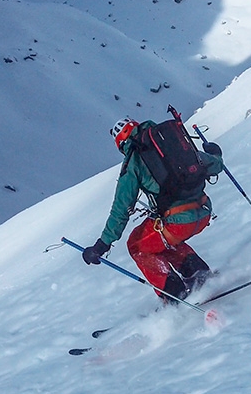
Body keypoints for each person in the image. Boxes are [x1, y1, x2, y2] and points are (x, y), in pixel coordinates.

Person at [82, 115, 224, 301]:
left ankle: (174, 294)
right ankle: (198, 274)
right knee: (157, 240)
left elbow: (121, 208)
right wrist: (216, 153)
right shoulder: (171, 142)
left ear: (121, 144)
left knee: (137, 245)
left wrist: (102, 245)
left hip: (178, 223)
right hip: (203, 212)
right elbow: (215, 165)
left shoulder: (133, 162)